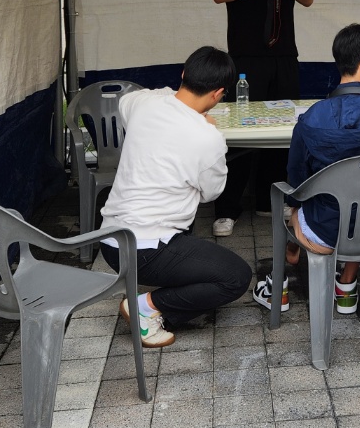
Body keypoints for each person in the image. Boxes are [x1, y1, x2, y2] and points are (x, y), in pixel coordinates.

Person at [97, 46, 252, 348]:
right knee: (236, 276)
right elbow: (212, 193)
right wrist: (205, 130)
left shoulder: (143, 103)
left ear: (183, 74)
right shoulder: (207, 137)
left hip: (110, 241)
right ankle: (145, 307)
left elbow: (128, 99)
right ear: (219, 94)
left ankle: (158, 295)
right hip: (145, 250)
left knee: (187, 225)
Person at [254, 23, 360, 317]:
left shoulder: (311, 118)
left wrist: (294, 208)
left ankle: (279, 284)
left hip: (324, 234)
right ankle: (347, 287)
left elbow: (296, 179)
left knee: (298, 202)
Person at [208, 0, 314, 236]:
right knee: (239, 132)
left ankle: (271, 201)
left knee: (283, 129)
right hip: (245, 59)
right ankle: (227, 208)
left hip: (284, 55)